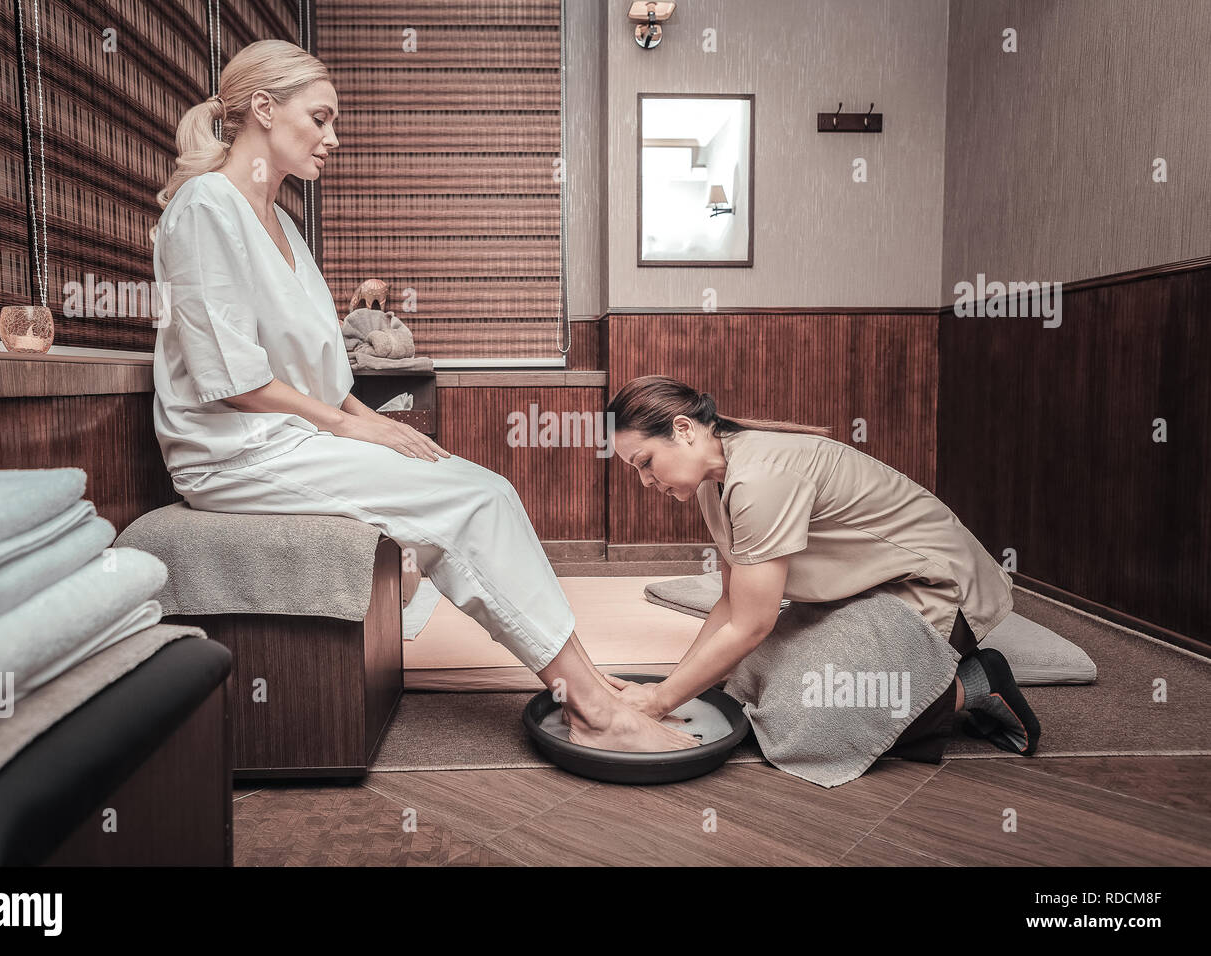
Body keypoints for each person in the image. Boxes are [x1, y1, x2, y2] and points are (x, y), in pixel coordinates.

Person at [151, 39, 698, 753]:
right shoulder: (205, 210)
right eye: (320, 119)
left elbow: (321, 379)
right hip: (231, 455)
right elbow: (236, 380)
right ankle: (592, 704)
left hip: (292, 437)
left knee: (477, 485)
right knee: (474, 500)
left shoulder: (282, 223)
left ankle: (584, 678)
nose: (332, 138)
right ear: (262, 109)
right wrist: (353, 431)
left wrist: (364, 421)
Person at [605, 374, 1041, 761]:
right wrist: (674, 688)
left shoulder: (760, 477)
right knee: (742, 683)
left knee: (804, 719)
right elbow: (731, 603)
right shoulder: (711, 483)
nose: (645, 481)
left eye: (645, 462)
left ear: (683, 430)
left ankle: (979, 683)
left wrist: (660, 702)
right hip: (868, 590)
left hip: (937, 589)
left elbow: (751, 625)